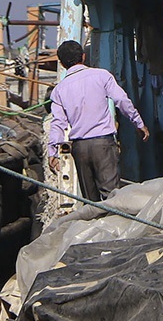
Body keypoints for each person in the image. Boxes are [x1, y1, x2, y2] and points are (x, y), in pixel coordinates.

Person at [48, 40, 149, 202]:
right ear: (83, 56)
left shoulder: (59, 90)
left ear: (61, 63)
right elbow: (122, 100)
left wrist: (52, 151)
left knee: (90, 202)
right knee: (112, 198)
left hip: (79, 148)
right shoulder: (101, 76)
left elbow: (57, 123)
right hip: (103, 145)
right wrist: (138, 123)